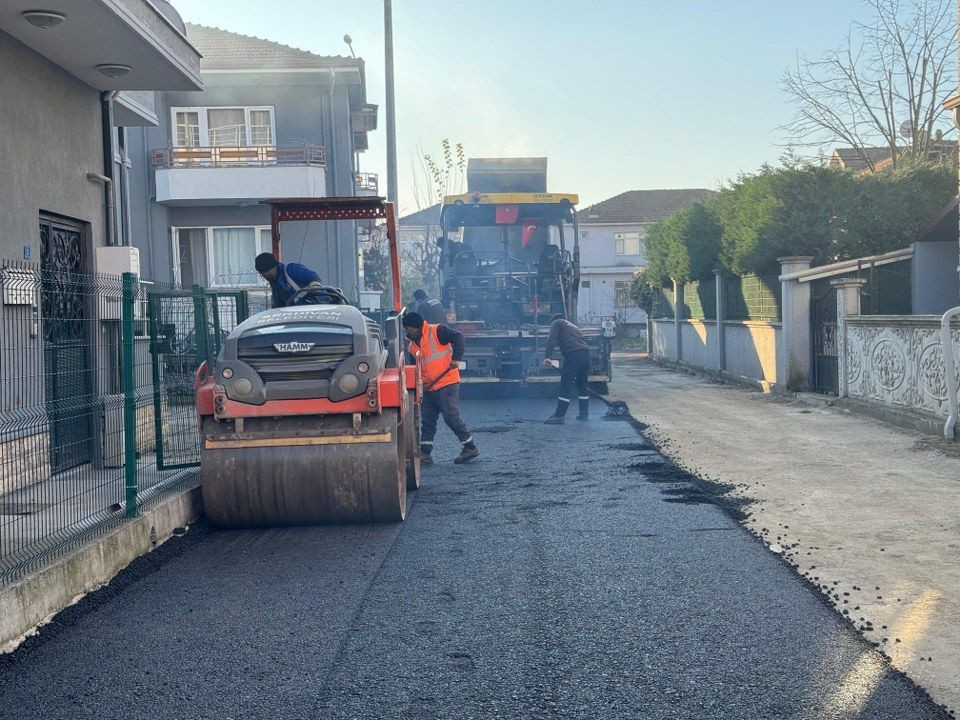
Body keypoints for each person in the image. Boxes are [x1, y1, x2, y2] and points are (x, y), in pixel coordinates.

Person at [402, 312, 479, 465]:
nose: (405, 331)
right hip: (428, 387)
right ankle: (425, 454)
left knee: (451, 417)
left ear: (414, 327)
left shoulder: (436, 331)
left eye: (406, 328)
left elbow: (459, 337)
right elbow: (414, 368)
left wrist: (456, 359)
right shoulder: (412, 345)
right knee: (428, 421)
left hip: (446, 382)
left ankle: (470, 447)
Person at [543, 313, 591, 424]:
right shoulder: (573, 326)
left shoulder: (556, 323)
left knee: (565, 385)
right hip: (586, 354)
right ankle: (584, 415)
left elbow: (551, 339)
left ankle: (559, 416)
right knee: (582, 385)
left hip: (574, 354)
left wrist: (547, 357)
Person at [254, 252, 340, 308]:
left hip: (318, 306)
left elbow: (311, 276)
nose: (264, 276)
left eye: (264, 273)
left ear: (271, 268)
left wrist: (314, 285)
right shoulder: (274, 283)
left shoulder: (291, 269)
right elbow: (279, 304)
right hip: (298, 314)